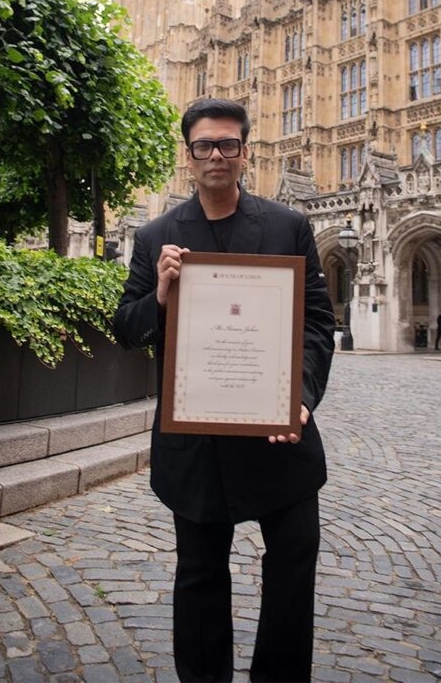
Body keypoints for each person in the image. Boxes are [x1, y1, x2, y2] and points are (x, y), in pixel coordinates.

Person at [113, 98, 335, 683]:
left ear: (244, 152)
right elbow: (126, 328)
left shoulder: (287, 226)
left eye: (228, 145)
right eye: (205, 146)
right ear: (188, 156)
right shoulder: (158, 234)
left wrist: (302, 398)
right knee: (200, 574)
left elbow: (316, 322)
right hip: (198, 440)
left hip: (278, 434)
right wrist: (159, 294)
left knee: (292, 564)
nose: (217, 155)